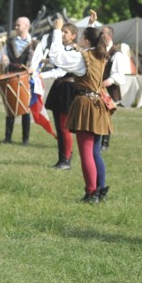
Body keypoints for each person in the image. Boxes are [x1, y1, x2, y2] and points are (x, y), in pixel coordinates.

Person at [48, 15, 113, 203]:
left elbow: (56, 56)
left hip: (86, 105)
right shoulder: (101, 54)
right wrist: (91, 25)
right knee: (95, 152)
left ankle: (91, 192)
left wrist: (56, 30)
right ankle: (100, 188)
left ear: (85, 40)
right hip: (99, 105)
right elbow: (93, 38)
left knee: (86, 153)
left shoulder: (82, 58)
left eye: (82, 36)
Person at [39, 22, 79, 170]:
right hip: (60, 87)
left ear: (73, 36)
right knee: (59, 127)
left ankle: (66, 160)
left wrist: (40, 75)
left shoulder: (74, 50)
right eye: (61, 31)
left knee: (64, 127)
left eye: (66, 32)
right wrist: (48, 61)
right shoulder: (64, 49)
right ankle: (62, 158)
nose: (62, 34)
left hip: (68, 89)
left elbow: (61, 71)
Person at [0, 16, 37, 145]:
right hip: (11, 77)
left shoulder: (35, 43)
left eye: (18, 25)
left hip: (26, 79)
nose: (15, 27)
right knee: (10, 108)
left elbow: (39, 61)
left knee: (25, 109)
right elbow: (2, 57)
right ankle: (7, 137)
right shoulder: (9, 42)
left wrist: (33, 68)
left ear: (26, 26)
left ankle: (25, 139)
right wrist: (4, 60)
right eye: (16, 25)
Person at [100, 24, 128, 151]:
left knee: (106, 116)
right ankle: (98, 141)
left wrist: (109, 80)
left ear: (109, 36)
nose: (101, 35)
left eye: (103, 33)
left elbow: (120, 74)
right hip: (98, 88)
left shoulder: (116, 53)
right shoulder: (100, 50)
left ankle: (105, 143)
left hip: (109, 89)